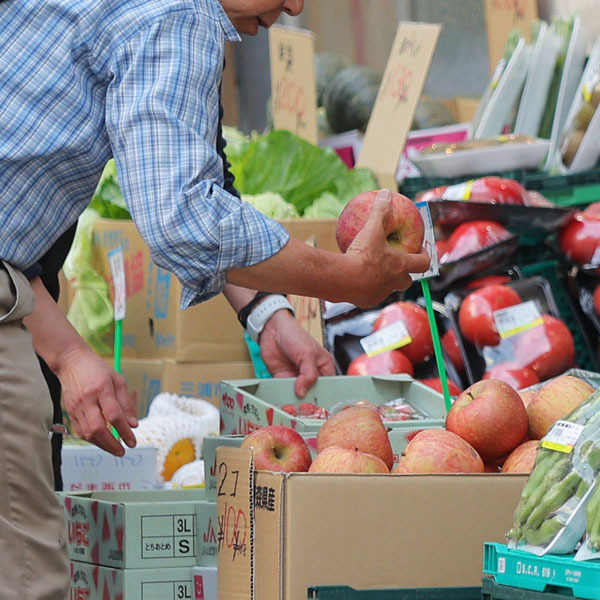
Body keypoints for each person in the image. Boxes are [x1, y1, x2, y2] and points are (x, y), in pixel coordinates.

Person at [0, 0, 430, 598]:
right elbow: (185, 217)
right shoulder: (175, 14)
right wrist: (345, 280)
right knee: (23, 575)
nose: (294, 7)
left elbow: (195, 176)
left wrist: (265, 312)